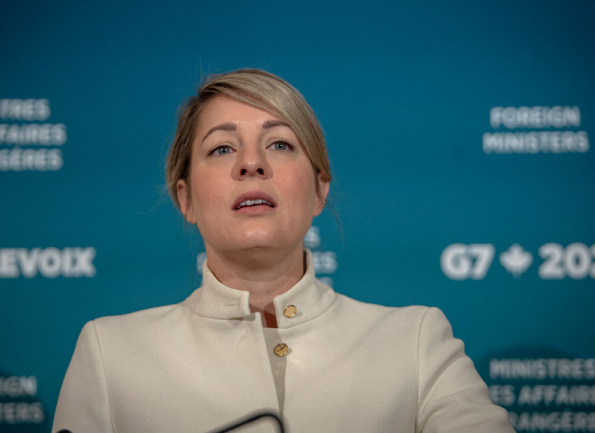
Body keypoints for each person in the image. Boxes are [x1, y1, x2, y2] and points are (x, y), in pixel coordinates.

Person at [52, 69, 514, 432]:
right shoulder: (111, 354)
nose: (251, 163)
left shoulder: (415, 342)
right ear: (186, 198)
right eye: (221, 149)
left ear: (319, 190)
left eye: (279, 143)